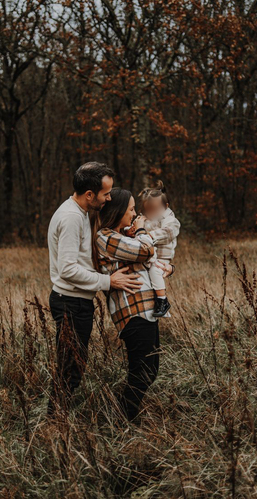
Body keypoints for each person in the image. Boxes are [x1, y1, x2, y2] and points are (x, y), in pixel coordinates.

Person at [47, 162, 142, 416]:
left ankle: (56, 418)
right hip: (70, 303)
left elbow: (82, 261)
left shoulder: (80, 214)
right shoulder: (70, 219)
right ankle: (53, 424)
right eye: (105, 193)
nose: (109, 198)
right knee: (71, 370)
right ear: (89, 194)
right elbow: (67, 270)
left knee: (73, 367)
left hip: (77, 302)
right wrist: (108, 282)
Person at [94, 188, 176, 422]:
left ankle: (124, 415)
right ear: (118, 211)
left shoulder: (123, 235)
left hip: (146, 309)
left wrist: (169, 268)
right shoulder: (105, 237)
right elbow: (145, 250)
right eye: (130, 209)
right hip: (132, 311)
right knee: (142, 371)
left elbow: (151, 260)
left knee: (150, 370)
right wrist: (141, 231)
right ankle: (121, 418)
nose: (134, 213)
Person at [136, 180, 181, 317]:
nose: (152, 212)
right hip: (150, 255)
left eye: (155, 209)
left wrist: (148, 236)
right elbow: (137, 230)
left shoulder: (169, 219)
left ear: (165, 206)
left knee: (155, 271)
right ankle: (153, 301)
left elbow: (168, 233)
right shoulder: (146, 219)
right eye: (149, 209)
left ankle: (163, 301)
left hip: (162, 257)